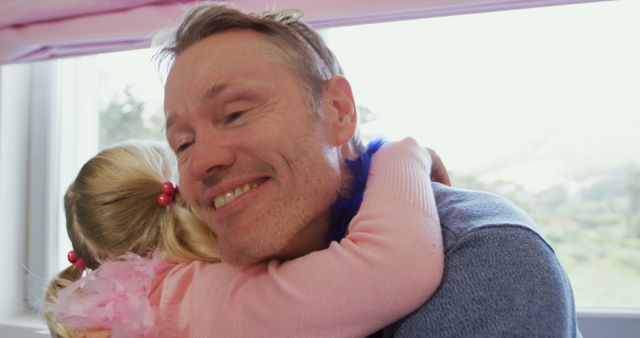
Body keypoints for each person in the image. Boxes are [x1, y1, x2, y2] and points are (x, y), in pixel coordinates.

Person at [160, 3, 581, 337]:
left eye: (234, 114)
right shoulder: (194, 280)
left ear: (338, 111)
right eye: (182, 143)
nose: (200, 161)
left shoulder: (484, 260)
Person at [44, 138, 445, 338]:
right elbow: (394, 266)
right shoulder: (189, 299)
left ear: (96, 262)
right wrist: (403, 154)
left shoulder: (143, 310)